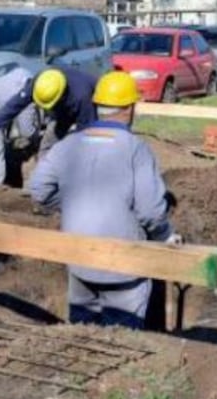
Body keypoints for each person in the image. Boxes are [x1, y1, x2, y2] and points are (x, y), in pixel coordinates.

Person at [29, 71, 174, 329]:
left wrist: (71, 205)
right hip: (124, 265)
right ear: (129, 109)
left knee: (83, 337)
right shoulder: (135, 148)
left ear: (97, 106)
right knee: (124, 343)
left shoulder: (68, 144)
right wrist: (165, 236)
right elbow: (151, 211)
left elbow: (39, 189)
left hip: (79, 258)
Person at [0, 67, 98, 156]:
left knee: (85, 146)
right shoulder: (40, 82)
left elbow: (86, 130)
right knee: (48, 144)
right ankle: (44, 178)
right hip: (63, 109)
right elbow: (14, 105)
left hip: (90, 107)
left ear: (60, 96)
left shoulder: (82, 96)